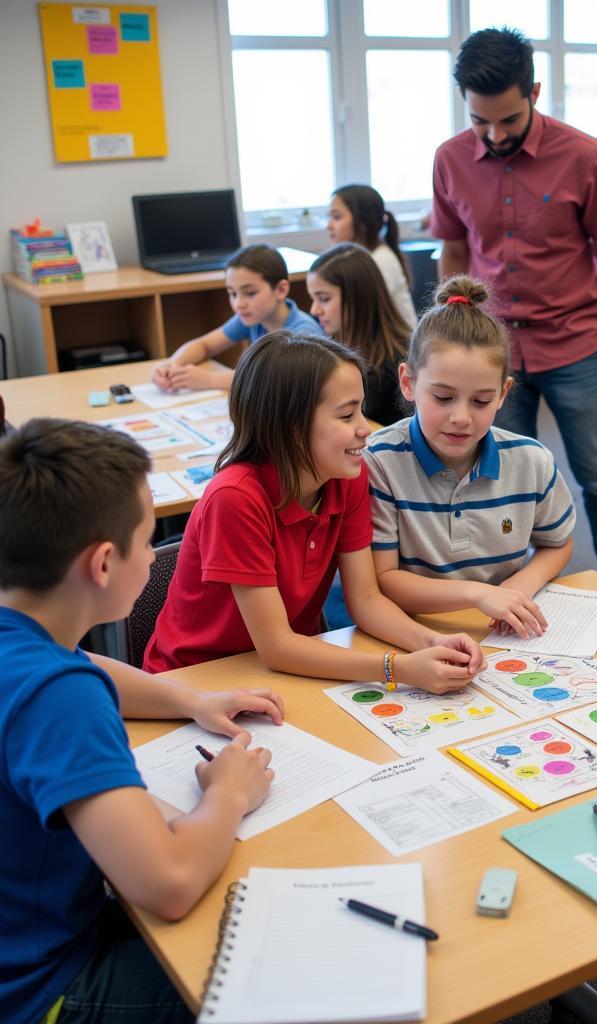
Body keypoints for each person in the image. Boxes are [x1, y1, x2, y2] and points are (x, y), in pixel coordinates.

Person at [0, 418, 283, 1024]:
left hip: (32, 929)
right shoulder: (58, 696)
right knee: (288, 978)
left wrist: (189, 700)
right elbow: (170, 884)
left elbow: (84, 661)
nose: (154, 555)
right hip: (41, 992)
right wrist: (230, 794)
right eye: (146, 537)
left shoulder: (27, 639)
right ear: (104, 564)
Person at [144, 330, 482, 690]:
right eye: (347, 414)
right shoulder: (235, 498)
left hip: (284, 672)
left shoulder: (346, 476)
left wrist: (430, 642)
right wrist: (396, 668)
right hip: (195, 683)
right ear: (292, 428)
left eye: (361, 410)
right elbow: (276, 646)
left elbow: (366, 599)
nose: (364, 428)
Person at [431, 27, 597, 587]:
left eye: (508, 119)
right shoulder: (449, 160)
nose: (494, 134)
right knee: (498, 476)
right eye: (480, 121)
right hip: (492, 351)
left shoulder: (583, 155)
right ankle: (515, 585)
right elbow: (452, 250)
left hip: (575, 337)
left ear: (535, 92)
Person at [365, 276, 575, 641]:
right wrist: (480, 594)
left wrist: (520, 586)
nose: (461, 417)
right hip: (412, 635)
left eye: (480, 401)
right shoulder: (380, 462)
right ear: (408, 382)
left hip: (502, 631)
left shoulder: (532, 460)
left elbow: (557, 543)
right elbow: (382, 581)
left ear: (502, 393)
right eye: (443, 397)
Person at [151, 245, 320, 392]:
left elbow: (273, 381)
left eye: (250, 293)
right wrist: (173, 364)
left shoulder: (303, 333)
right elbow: (204, 345)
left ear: (281, 290)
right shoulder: (253, 318)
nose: (238, 303)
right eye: (232, 293)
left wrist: (208, 380)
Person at [307, 243, 409, 425]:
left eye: (324, 299)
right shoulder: (331, 346)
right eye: (313, 299)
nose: (314, 310)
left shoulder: (399, 360)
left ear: (357, 298)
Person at [327, 184, 417, 328]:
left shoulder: (381, 261)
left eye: (336, 217)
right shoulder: (361, 258)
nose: (329, 226)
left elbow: (360, 319)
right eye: (329, 217)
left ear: (363, 223)